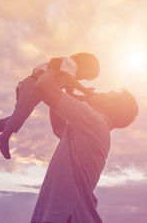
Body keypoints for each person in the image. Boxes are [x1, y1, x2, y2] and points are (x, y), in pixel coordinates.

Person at [30, 59, 139, 223]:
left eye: (107, 93)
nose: (99, 92)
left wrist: (55, 68)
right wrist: (66, 88)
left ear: (107, 103)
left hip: (66, 217)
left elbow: (42, 87)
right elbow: (59, 128)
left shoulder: (93, 120)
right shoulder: (93, 126)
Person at [0, 53, 100, 159]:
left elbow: (70, 95)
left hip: (35, 89)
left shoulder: (70, 76)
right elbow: (68, 79)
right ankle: (4, 137)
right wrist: (85, 91)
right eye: (85, 76)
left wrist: (85, 98)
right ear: (84, 64)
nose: (82, 79)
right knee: (21, 113)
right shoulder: (69, 63)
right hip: (32, 83)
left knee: (20, 114)